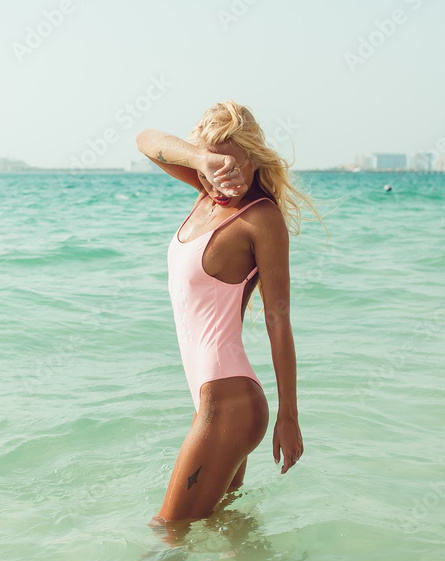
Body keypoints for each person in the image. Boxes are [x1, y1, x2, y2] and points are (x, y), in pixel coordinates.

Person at [136, 101, 322, 523]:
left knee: (168, 534)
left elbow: (278, 320)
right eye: (217, 168)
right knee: (221, 531)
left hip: (230, 402)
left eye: (234, 166)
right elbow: (145, 140)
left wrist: (289, 416)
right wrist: (203, 160)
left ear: (255, 159)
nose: (227, 179)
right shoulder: (207, 194)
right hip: (209, 400)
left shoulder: (260, 218)